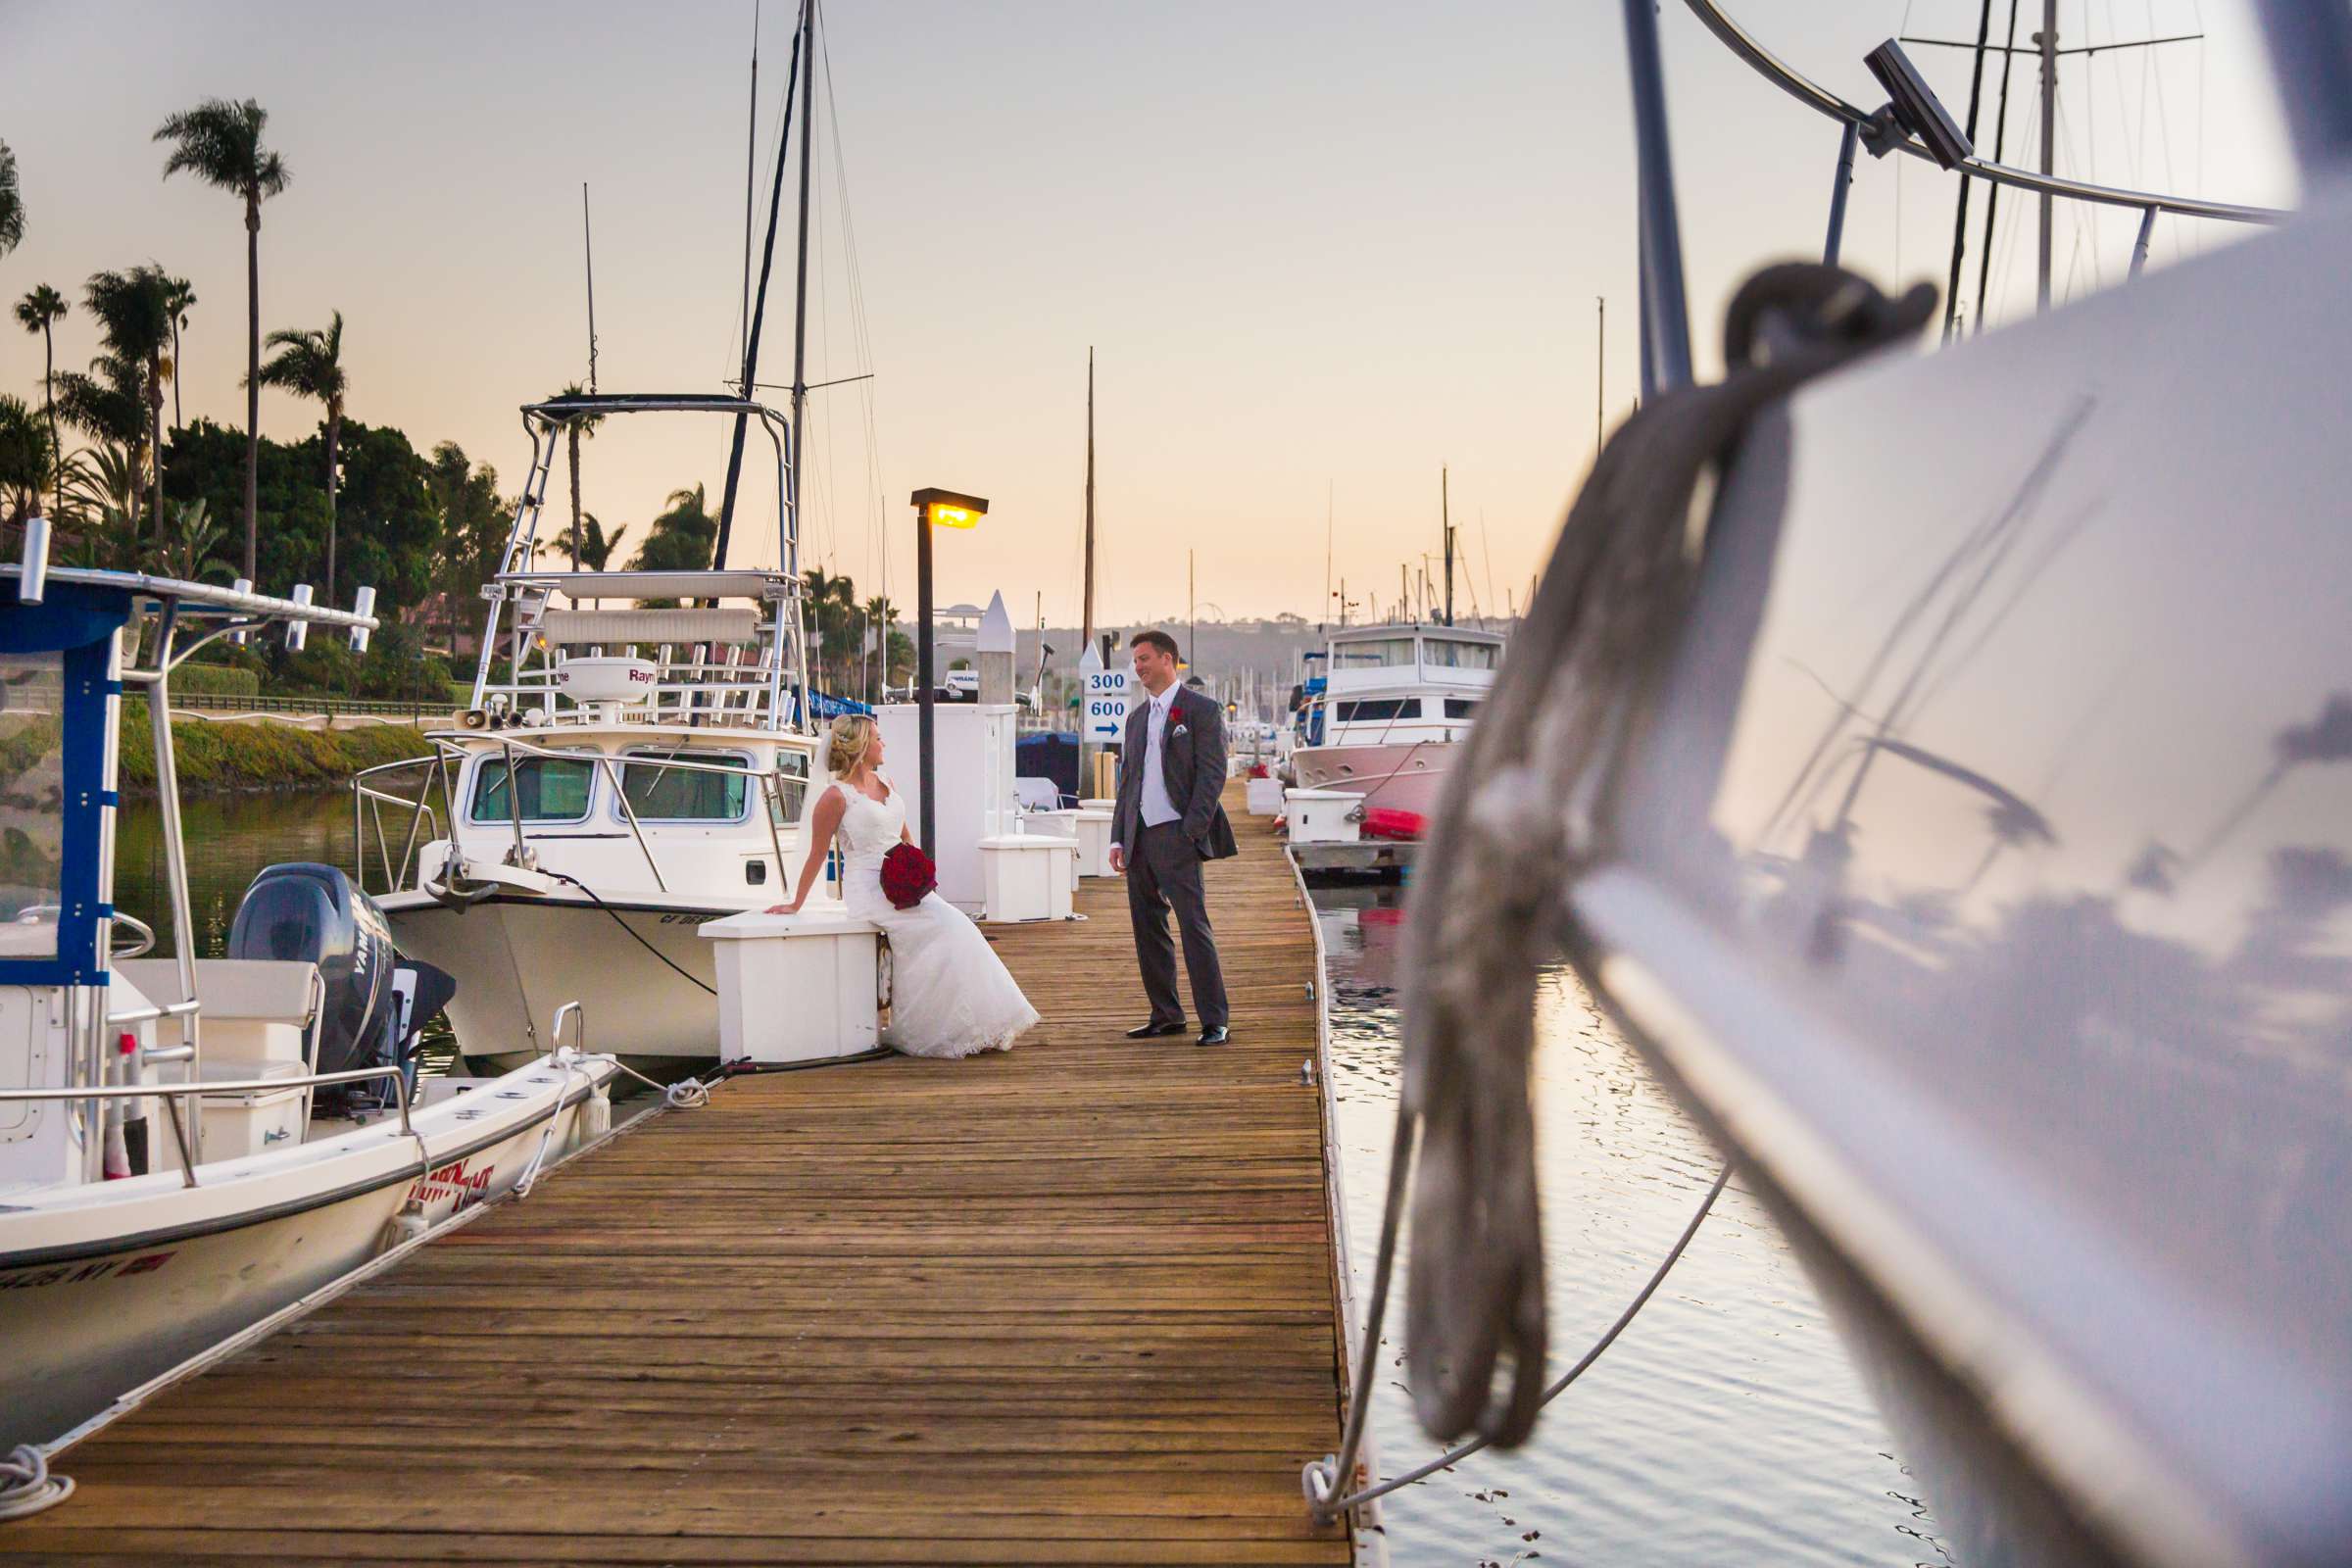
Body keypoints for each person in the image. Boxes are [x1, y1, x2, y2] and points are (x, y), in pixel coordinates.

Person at [769, 714, 1038, 1059]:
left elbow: (905, 836)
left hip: (901, 884)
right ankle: (931, 1028)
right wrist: (795, 903)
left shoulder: (886, 783)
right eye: (879, 739)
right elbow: (818, 853)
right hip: (868, 890)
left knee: (959, 927)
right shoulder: (836, 797)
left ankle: (972, 1023)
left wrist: (916, 872)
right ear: (863, 745)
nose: (884, 745)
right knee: (947, 928)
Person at [1108, 629, 1239, 1046]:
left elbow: (1212, 775)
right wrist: (1118, 838)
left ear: (1169, 660)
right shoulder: (1135, 719)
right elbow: (1127, 783)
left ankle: (1214, 1019)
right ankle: (1166, 1014)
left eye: (1144, 659)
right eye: (1135, 661)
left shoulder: (1200, 710)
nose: (1138, 667)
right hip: (1139, 836)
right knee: (1147, 927)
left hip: (1177, 833)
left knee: (1193, 925)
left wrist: (1191, 831)